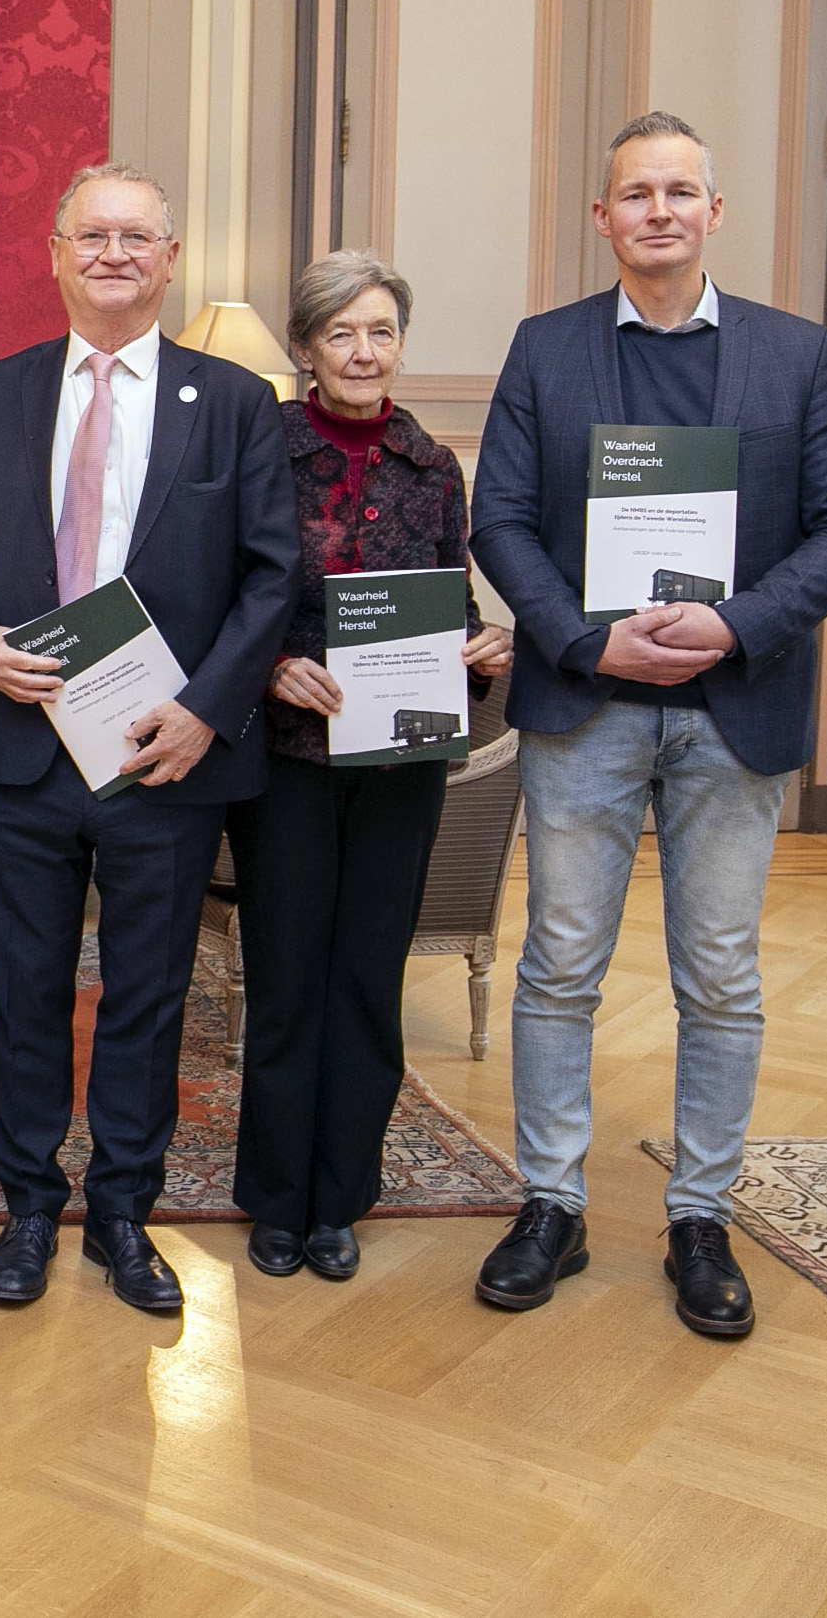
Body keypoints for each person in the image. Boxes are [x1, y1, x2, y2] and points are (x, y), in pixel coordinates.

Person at [467, 111, 827, 1339]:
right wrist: (591, 640)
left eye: (679, 192)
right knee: (558, 967)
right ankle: (552, 1201)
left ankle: (701, 1216)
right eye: (634, 194)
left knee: (720, 974)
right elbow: (501, 523)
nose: (657, 210)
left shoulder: (796, 355)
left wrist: (740, 624)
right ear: (603, 219)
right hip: (587, 707)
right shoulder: (545, 351)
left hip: (730, 709)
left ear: (714, 213)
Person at [0, 162, 297, 1314]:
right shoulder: (1, 392)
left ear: (170, 257)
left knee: (149, 995)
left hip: (164, 755)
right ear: (53, 253)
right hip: (24, 748)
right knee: (27, 987)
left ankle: (126, 1214)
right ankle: (31, 1207)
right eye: (91, 235)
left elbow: (271, 573)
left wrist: (207, 710)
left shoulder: (236, 403)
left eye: (136, 237)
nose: (112, 254)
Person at [225, 253, 512, 1284]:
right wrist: (269, 670)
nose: (362, 351)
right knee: (290, 977)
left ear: (401, 344)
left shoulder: (433, 467)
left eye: (380, 330)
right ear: (306, 348)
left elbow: (454, 605)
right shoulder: (262, 450)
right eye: (341, 332)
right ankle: (275, 1195)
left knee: (367, 977)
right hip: (291, 757)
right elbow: (225, 597)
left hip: (401, 761)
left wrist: (482, 652)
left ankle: (341, 1196)